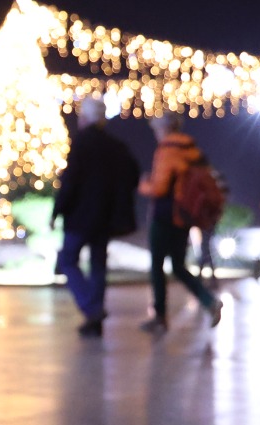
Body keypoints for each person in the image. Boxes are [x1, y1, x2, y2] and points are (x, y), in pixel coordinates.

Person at [49, 95, 139, 337]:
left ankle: (92, 309)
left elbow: (70, 181)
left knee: (68, 260)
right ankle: (94, 318)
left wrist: (57, 211)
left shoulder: (82, 143)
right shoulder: (117, 146)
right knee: (98, 266)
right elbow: (133, 174)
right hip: (105, 218)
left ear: (86, 118)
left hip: (80, 216)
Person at [136, 115, 223, 333]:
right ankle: (209, 301)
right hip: (184, 217)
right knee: (178, 265)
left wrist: (143, 185)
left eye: (156, 128)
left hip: (164, 216)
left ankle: (160, 316)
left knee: (157, 265)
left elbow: (159, 188)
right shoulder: (192, 150)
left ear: (163, 128)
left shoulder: (167, 150)